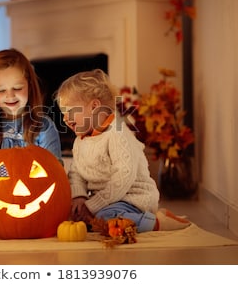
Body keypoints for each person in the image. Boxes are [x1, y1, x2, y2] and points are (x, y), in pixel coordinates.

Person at [54, 69, 191, 232]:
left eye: (69, 111)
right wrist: (79, 197)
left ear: (94, 106)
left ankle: (157, 222)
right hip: (106, 201)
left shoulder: (117, 134)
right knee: (81, 219)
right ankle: (106, 216)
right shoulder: (80, 141)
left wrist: (92, 205)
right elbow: (76, 173)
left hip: (133, 199)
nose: (64, 118)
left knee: (104, 218)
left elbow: (123, 178)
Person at [0, 48, 62, 182]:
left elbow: (54, 166)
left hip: (34, 188)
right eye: (1, 90)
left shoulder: (44, 127)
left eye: (17, 88)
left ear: (30, 86)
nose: (10, 96)